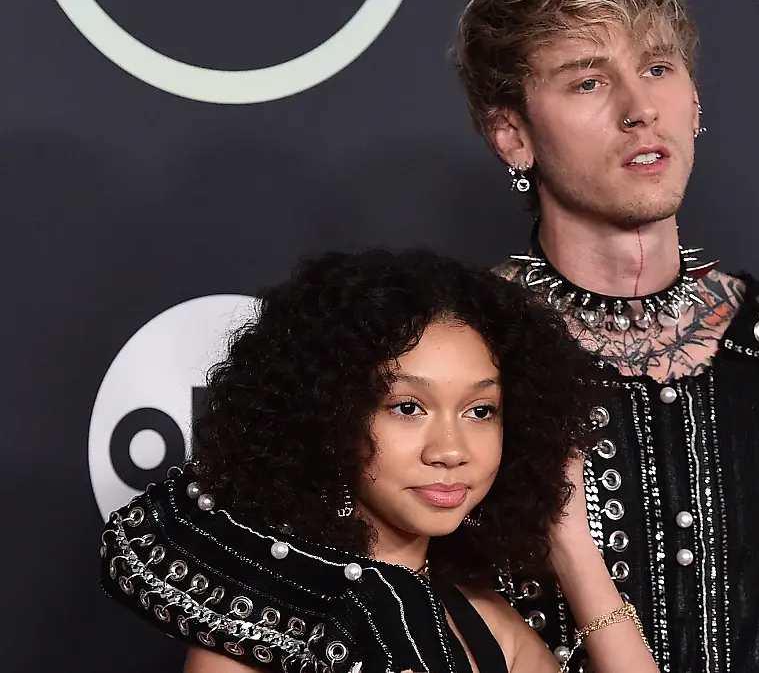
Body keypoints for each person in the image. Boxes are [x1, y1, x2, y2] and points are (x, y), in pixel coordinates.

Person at [452, 1, 759, 672]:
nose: (638, 107)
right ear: (512, 135)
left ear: (696, 101)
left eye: (657, 67)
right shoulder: (460, 365)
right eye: (588, 81)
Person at [98, 249, 662, 673]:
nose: (450, 450)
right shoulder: (263, 621)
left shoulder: (484, 621)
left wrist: (577, 553)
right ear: (329, 414)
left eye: (481, 410)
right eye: (408, 407)